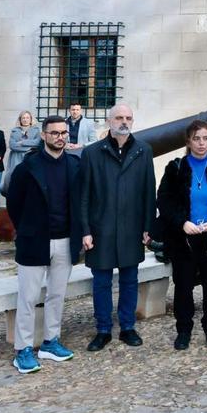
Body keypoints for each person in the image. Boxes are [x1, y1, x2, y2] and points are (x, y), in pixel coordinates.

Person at [6, 115, 83, 374]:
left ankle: (50, 342)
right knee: (28, 298)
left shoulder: (74, 165)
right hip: (34, 240)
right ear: (44, 135)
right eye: (54, 133)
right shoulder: (27, 168)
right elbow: (14, 203)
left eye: (63, 133)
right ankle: (23, 349)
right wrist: (28, 228)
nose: (60, 137)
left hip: (64, 241)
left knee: (56, 295)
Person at [78, 104, 156, 351]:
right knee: (101, 281)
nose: (124, 122)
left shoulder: (143, 151)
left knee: (129, 279)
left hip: (131, 228)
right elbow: (83, 196)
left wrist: (147, 226)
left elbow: (148, 192)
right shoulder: (92, 153)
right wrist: (85, 229)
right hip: (101, 228)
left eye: (128, 118)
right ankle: (102, 329)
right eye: (119, 117)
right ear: (109, 120)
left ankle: (127, 327)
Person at [156, 120, 207, 350]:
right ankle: (184, 329)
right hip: (184, 238)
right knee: (183, 286)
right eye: (196, 138)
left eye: (205, 138)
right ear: (189, 141)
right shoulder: (176, 167)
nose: (201, 143)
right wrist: (182, 223)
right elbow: (165, 200)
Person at [5, 111, 41, 191]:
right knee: (16, 179)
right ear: (20, 120)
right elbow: (12, 145)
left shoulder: (36, 130)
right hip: (16, 158)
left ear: (31, 119)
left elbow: (37, 142)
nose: (25, 120)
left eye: (27, 118)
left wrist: (22, 142)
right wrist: (29, 147)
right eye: (23, 118)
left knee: (30, 180)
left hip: (31, 157)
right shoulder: (15, 130)